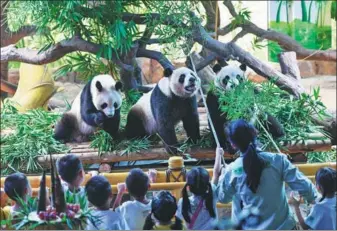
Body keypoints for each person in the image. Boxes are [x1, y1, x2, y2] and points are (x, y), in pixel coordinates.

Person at [214, 119, 318, 230]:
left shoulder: (232, 171)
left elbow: (223, 198)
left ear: (233, 145)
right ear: (255, 133)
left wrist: (220, 178)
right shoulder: (278, 161)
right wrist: (315, 200)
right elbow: (306, 187)